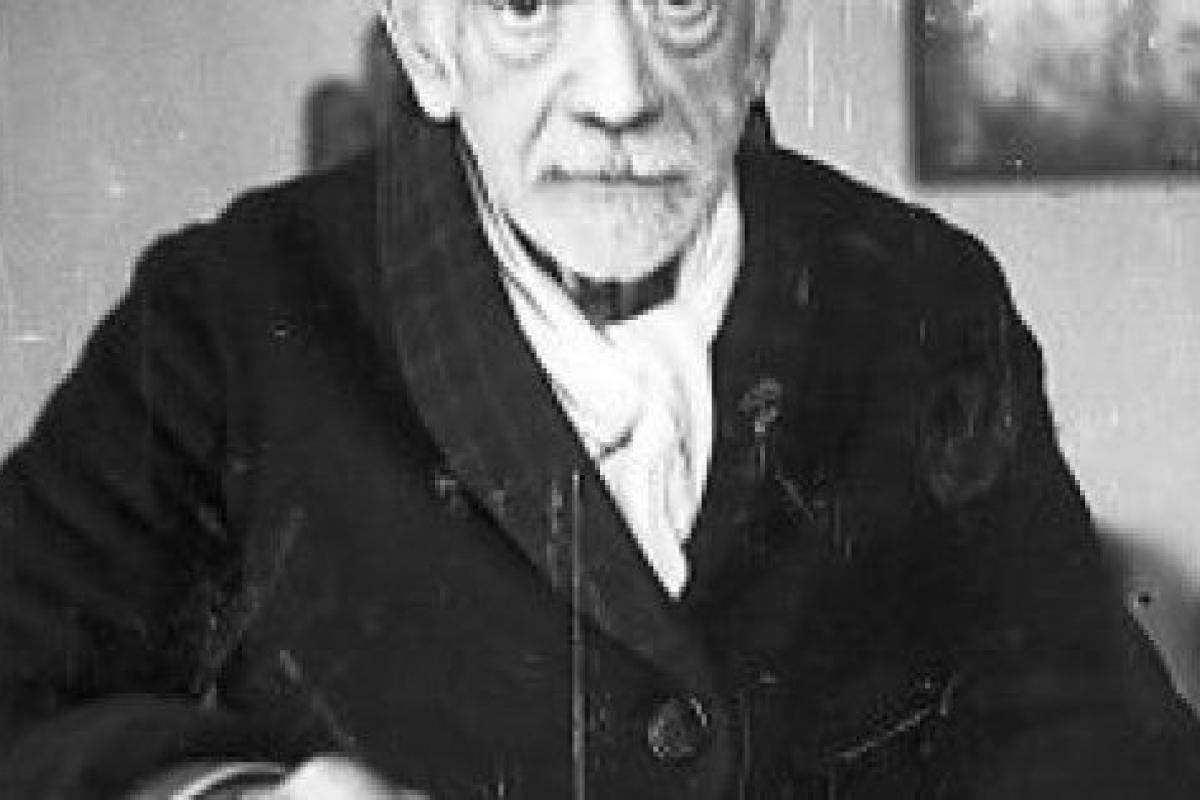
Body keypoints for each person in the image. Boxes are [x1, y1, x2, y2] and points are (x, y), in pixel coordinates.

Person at [1, 0, 1198, 797]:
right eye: (527, 5)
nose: (619, 95)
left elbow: (1093, 735)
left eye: (679, 2)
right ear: (426, 41)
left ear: (762, 31)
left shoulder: (925, 297)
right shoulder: (226, 314)